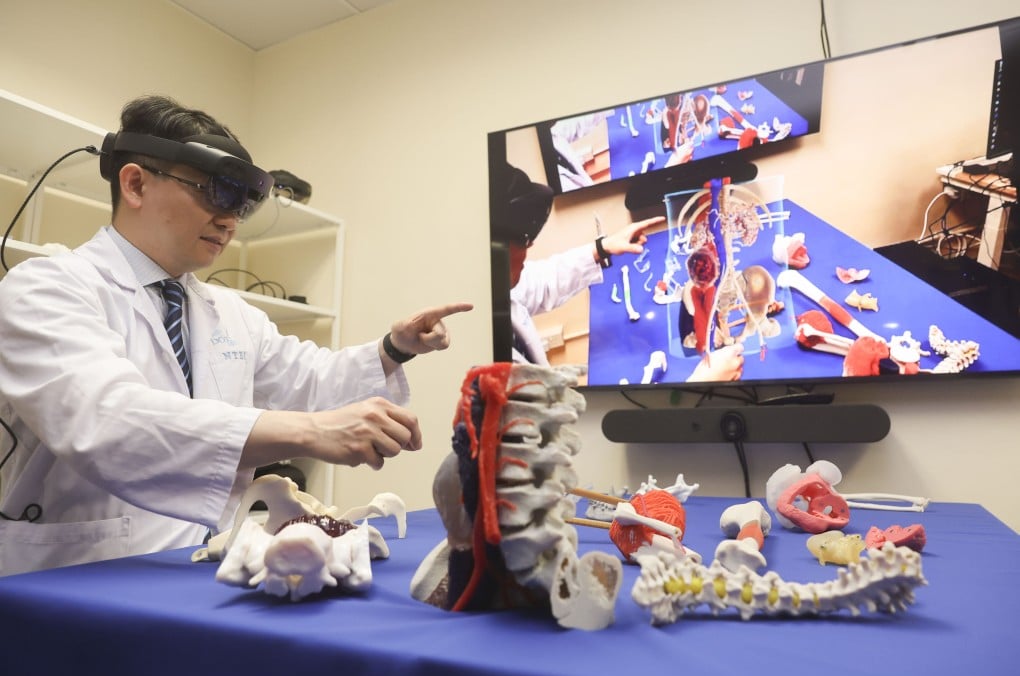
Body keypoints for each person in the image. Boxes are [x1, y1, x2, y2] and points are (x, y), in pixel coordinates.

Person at [0, 95, 472, 576]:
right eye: (213, 192)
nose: (229, 220)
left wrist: (393, 350)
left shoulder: (227, 312)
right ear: (136, 183)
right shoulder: (45, 288)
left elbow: (307, 382)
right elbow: (107, 420)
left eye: (241, 203)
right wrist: (311, 432)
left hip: (203, 568)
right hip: (77, 572)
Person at [496, 162, 743, 381]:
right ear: (496, 249)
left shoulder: (496, 289)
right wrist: (704, 380)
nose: (530, 246)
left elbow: (538, 283)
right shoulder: (496, 374)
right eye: (524, 239)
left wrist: (602, 248)